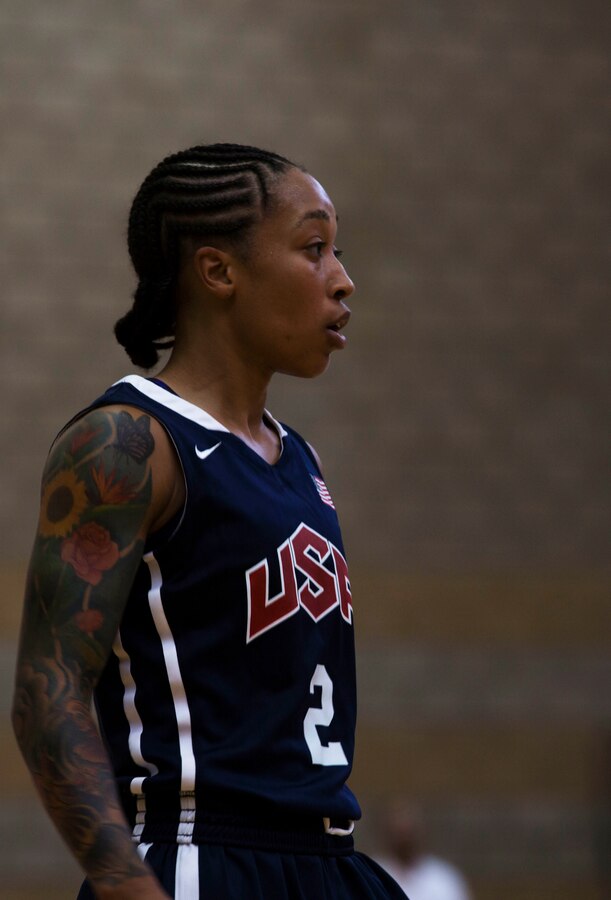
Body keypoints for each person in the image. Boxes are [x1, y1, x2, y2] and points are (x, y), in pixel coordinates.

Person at [12, 143, 407, 899]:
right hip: (200, 855)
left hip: (329, 858)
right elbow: (46, 695)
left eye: (339, 254)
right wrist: (130, 888)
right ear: (219, 271)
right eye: (314, 248)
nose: (342, 278)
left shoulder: (302, 460)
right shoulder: (127, 443)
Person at [375, 800, 471, 900]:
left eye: (408, 830)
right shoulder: (372, 876)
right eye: (399, 831)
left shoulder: (445, 879)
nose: (404, 836)